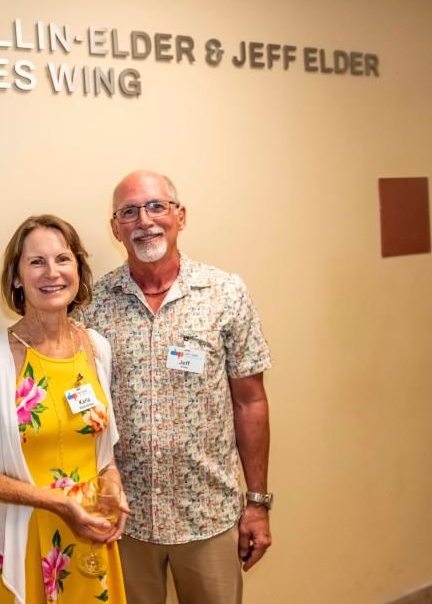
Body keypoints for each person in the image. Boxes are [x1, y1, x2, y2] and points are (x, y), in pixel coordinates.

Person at [80, 170, 273, 604]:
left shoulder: (225, 293)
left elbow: (250, 401)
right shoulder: (93, 304)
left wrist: (257, 503)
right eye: (129, 212)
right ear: (115, 228)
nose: (144, 221)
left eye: (156, 207)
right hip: (124, 520)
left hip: (208, 517)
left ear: (180, 216)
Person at [0, 215, 130, 604]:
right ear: (16, 278)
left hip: (90, 540)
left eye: (63, 259)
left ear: (79, 270)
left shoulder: (97, 348)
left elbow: (103, 453)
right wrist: (58, 503)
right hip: (25, 543)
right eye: (36, 262)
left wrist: (112, 485)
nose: (52, 272)